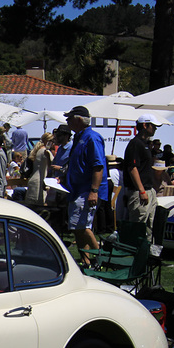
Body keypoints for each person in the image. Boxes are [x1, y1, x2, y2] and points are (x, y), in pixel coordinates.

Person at [64, 105, 108, 265]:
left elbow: (98, 166)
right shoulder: (78, 137)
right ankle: (86, 261)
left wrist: (94, 191)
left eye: (69, 118)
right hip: (76, 189)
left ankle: (100, 259)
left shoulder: (92, 138)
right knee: (76, 226)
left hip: (87, 190)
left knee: (83, 226)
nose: (67, 121)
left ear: (79, 120)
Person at [122, 114, 160, 236]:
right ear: (145, 125)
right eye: (153, 126)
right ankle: (134, 252)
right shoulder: (136, 144)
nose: (155, 129)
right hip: (139, 192)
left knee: (150, 225)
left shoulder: (145, 144)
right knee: (138, 226)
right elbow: (132, 168)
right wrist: (141, 190)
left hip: (148, 190)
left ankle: (146, 252)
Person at [25, 132, 53, 207]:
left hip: (33, 181)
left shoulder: (36, 150)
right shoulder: (46, 152)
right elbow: (53, 165)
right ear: (47, 141)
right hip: (39, 184)